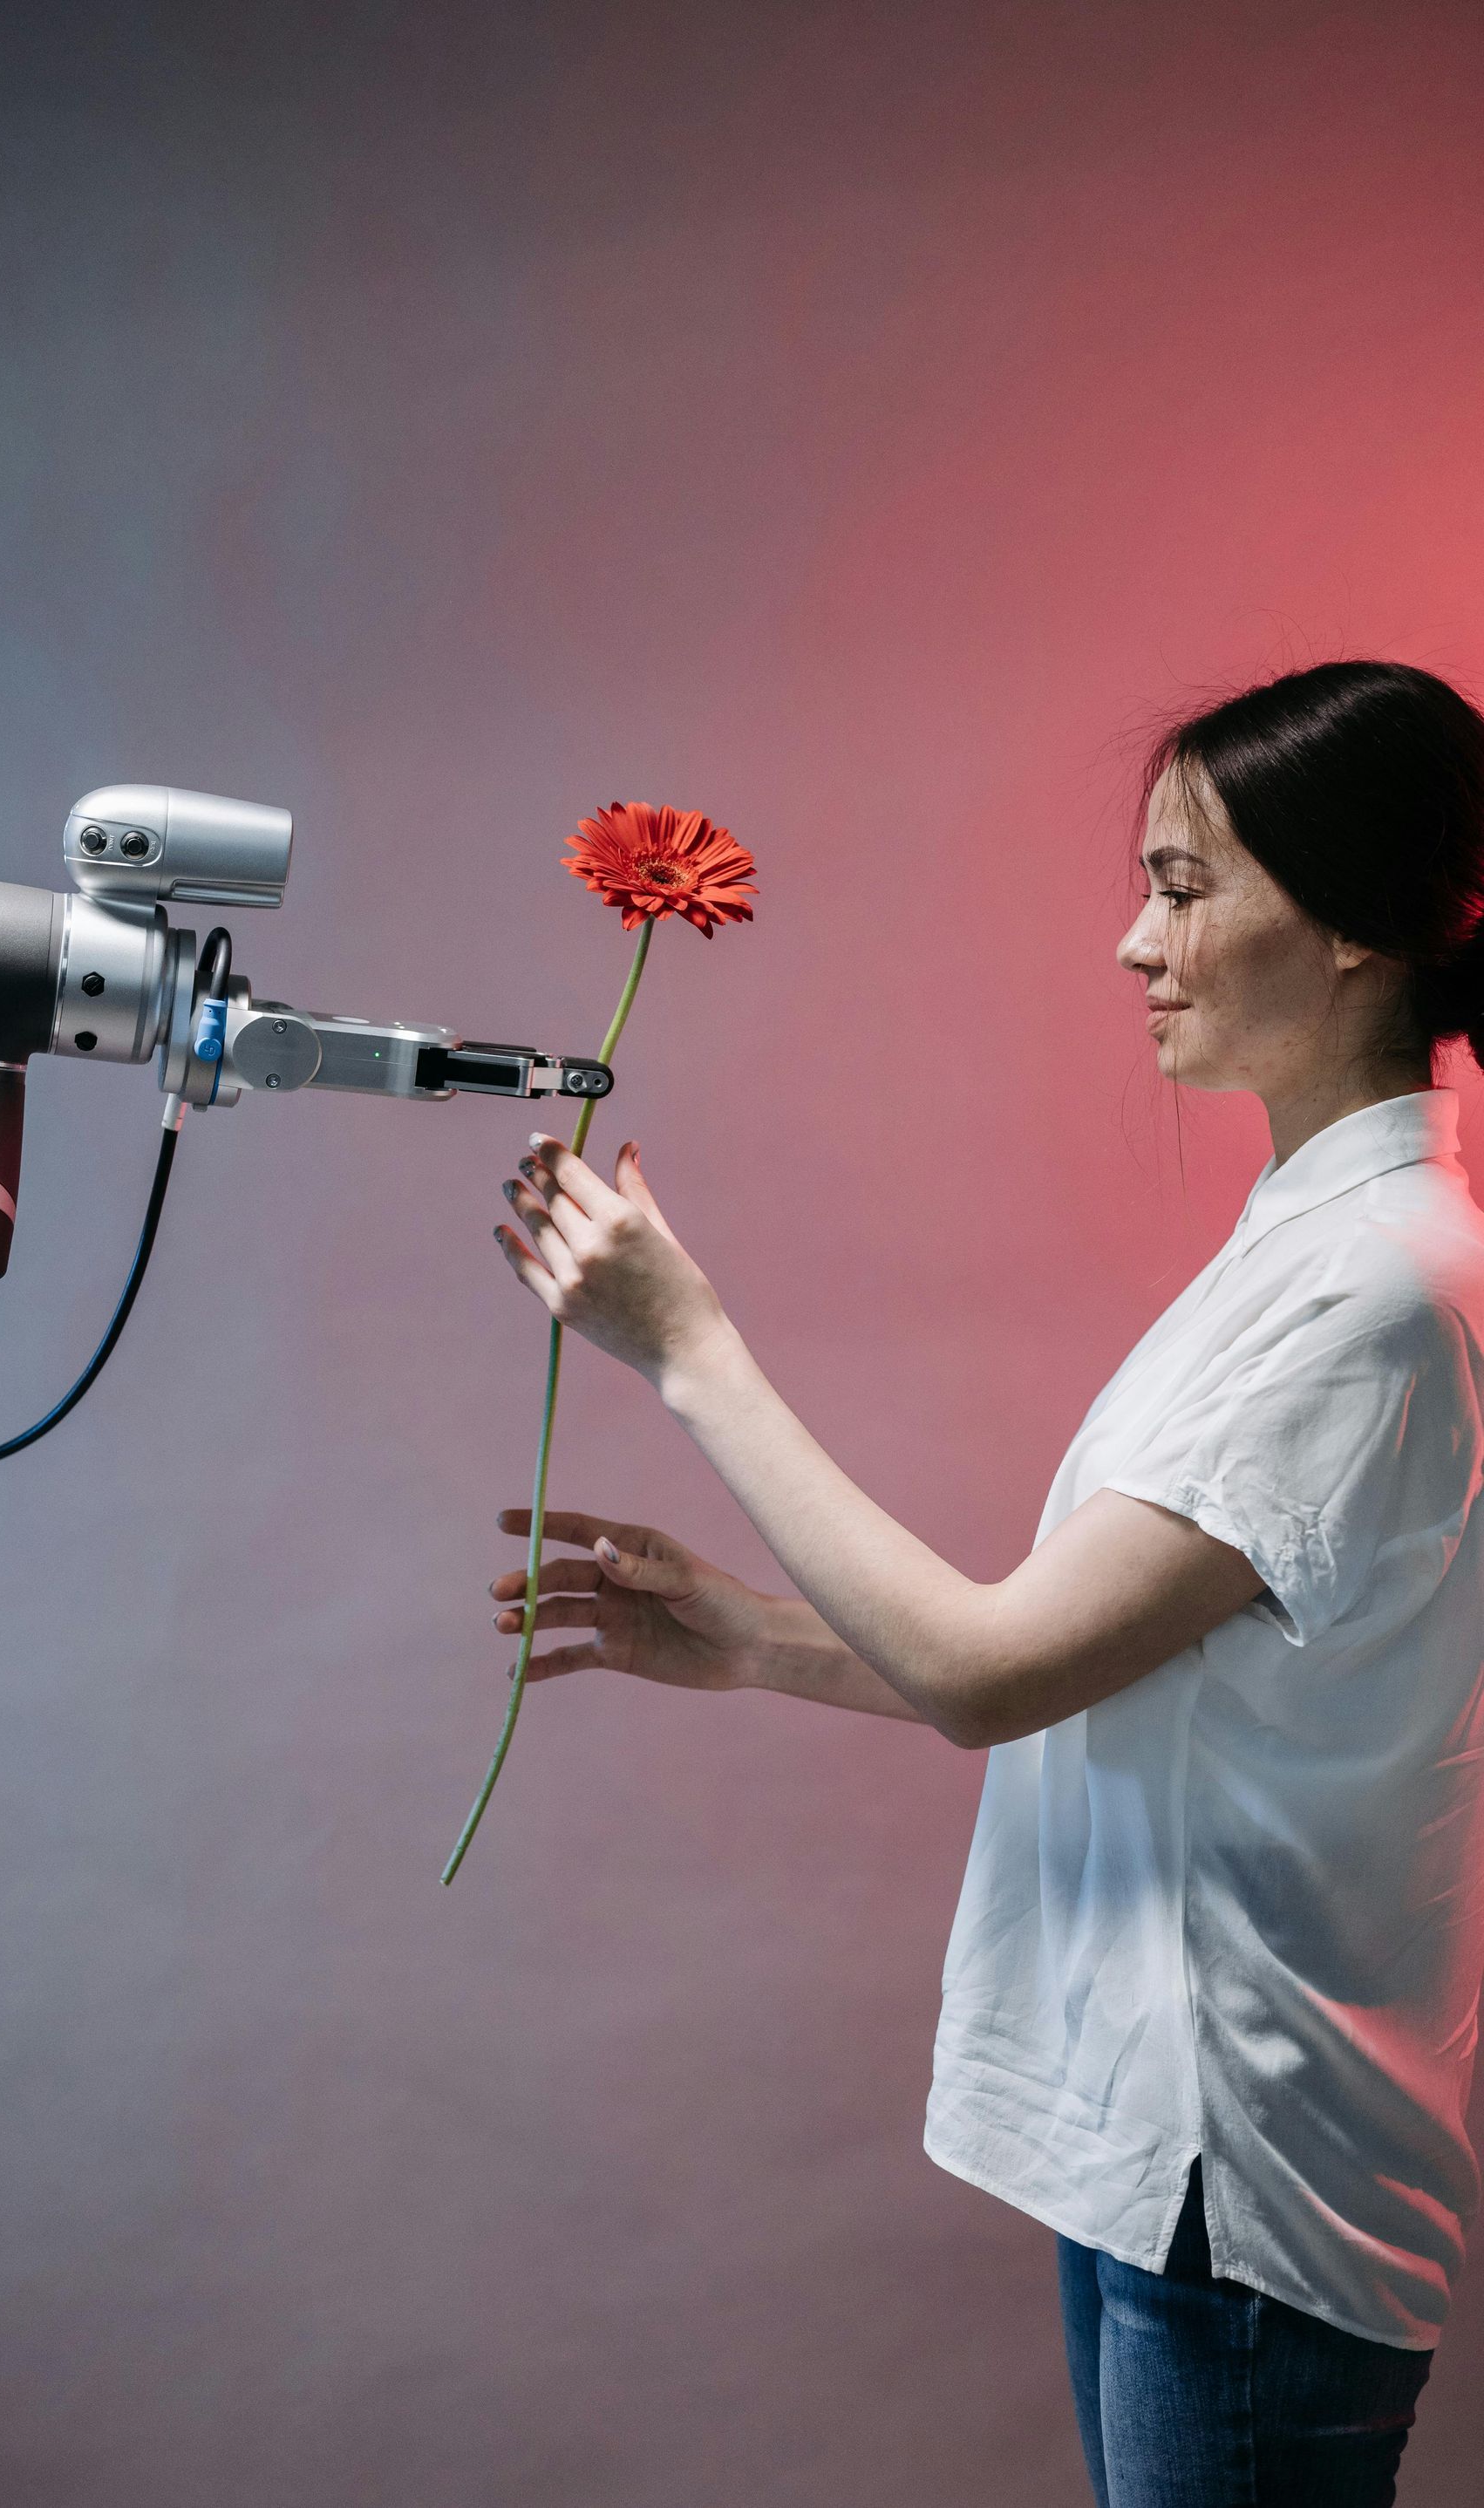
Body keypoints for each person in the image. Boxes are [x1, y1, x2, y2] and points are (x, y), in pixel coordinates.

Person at [488, 659, 1484, 2508]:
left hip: (1240, 2191)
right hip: (1158, 2160)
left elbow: (986, 1673)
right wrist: (750, 1640)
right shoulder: (1305, 1251)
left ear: (1355, 926)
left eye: (1185, 886)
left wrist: (688, 1346)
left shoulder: (1380, 1291)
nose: (1133, 940)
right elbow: (1109, 1666)